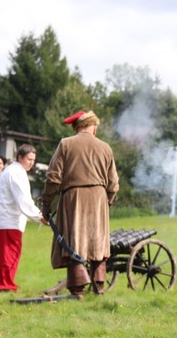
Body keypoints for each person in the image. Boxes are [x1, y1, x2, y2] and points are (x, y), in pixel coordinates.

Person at [41, 110, 119, 297]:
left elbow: (53, 178)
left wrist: (46, 205)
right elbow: (114, 184)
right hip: (99, 197)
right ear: (93, 126)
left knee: (74, 241)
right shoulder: (105, 147)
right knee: (97, 242)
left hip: (74, 197)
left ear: (76, 127)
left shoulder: (66, 144)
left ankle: (78, 290)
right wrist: (107, 202)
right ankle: (99, 286)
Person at [0, 144, 47, 292]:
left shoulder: (11, 170)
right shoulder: (16, 172)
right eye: (29, 159)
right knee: (8, 255)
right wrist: (39, 216)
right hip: (8, 221)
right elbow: (22, 199)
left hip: (1, 220)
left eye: (33, 160)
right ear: (20, 157)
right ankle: (5, 285)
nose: (32, 163)